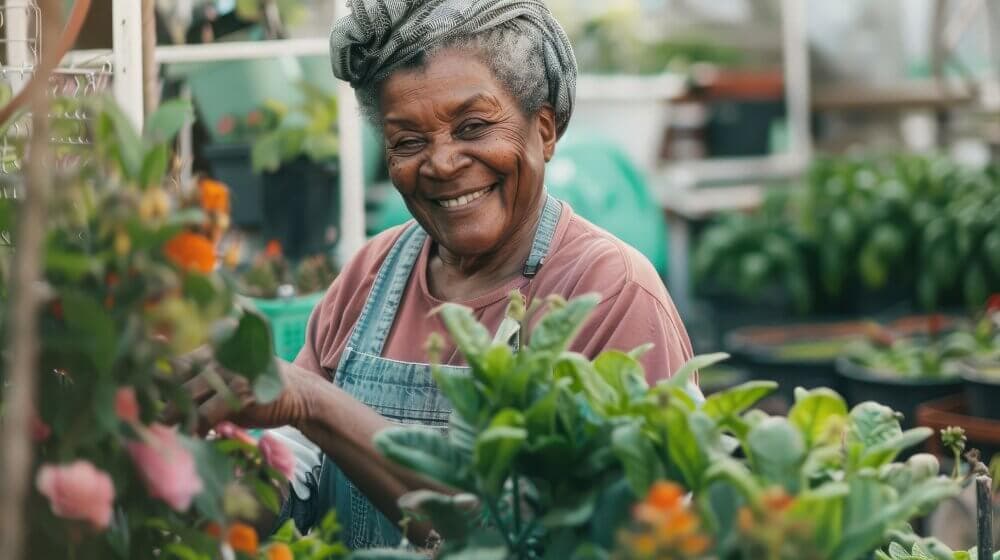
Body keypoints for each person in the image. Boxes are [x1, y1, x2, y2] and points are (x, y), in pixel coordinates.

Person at [183, 0, 694, 549]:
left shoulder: (609, 290)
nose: (442, 163)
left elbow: (547, 536)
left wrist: (313, 402)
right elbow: (295, 471)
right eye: (408, 141)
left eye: (473, 126)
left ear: (544, 129)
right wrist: (195, 476)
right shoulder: (371, 274)